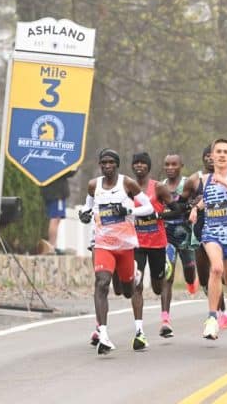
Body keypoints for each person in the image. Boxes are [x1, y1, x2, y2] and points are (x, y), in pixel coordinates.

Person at [78, 149, 154, 355]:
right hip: (103, 244)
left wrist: (128, 211)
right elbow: (88, 208)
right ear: (100, 165)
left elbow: (149, 209)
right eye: (104, 162)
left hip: (125, 245)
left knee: (126, 291)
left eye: (111, 162)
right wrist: (84, 215)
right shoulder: (94, 185)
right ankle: (103, 334)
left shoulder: (127, 183)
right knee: (101, 283)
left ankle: (135, 275)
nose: (107, 166)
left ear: (117, 165)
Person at [189, 138, 227, 340]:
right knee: (216, 269)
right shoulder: (205, 179)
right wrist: (195, 209)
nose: (222, 155)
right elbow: (208, 199)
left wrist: (225, 182)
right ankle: (212, 319)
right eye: (219, 151)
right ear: (212, 156)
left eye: (226, 152)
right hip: (211, 232)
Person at [130, 152, 174, 347]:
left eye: (143, 163)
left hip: (157, 242)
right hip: (136, 243)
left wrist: (159, 214)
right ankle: (139, 331)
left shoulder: (158, 187)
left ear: (148, 167)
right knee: (136, 283)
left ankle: (165, 318)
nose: (139, 166)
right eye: (136, 163)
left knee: (158, 285)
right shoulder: (127, 188)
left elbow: (176, 209)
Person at [160, 153, 199, 335]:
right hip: (166, 234)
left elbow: (195, 201)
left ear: (181, 165)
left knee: (189, 272)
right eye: (167, 164)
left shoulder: (187, 183)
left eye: (174, 164)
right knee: (167, 273)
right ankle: (165, 318)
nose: (170, 168)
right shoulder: (160, 186)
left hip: (185, 234)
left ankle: (191, 282)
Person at [39, 170, 76, 254]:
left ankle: (51, 245)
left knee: (54, 218)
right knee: (55, 218)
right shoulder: (56, 162)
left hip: (49, 190)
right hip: (57, 192)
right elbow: (67, 172)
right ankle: (51, 246)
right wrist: (74, 167)